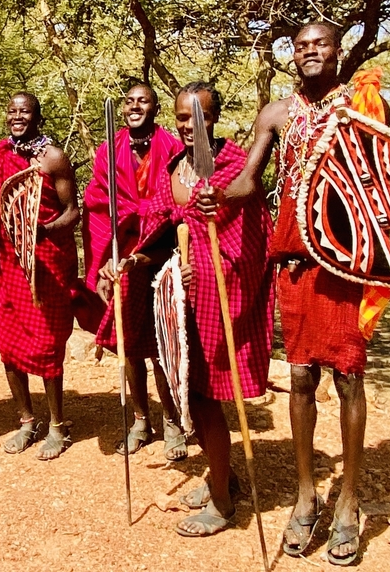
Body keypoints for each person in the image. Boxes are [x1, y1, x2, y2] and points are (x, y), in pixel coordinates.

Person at [222, 21, 390, 565]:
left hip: (341, 264)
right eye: (301, 47)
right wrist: (215, 195)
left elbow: (384, 184)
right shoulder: (275, 113)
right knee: (298, 376)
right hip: (291, 265)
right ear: (291, 56)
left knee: (347, 377)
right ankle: (304, 497)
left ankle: (348, 502)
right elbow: (250, 179)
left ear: (338, 52)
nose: (310, 52)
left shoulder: (363, 107)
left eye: (321, 44)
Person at [100, 82, 272, 537]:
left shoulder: (236, 167)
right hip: (179, 299)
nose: (190, 126)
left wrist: (212, 272)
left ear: (215, 117)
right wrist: (134, 259)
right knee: (185, 392)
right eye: (181, 118)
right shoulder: (173, 168)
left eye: (201, 116)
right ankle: (224, 476)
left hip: (221, 300)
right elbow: (157, 234)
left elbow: (251, 247)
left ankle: (222, 504)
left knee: (204, 397)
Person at [0, 92, 80, 461]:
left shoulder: (53, 158)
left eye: (25, 112)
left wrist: (43, 230)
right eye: (12, 111)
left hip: (45, 263)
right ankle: (26, 419)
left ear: (37, 117)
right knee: (9, 341)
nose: (17, 117)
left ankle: (58, 425)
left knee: (47, 344)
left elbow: (72, 213)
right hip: (5, 261)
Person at [80, 83, 188, 459]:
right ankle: (141, 419)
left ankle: (172, 420)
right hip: (121, 252)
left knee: (161, 343)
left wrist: (160, 245)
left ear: (155, 108)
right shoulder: (108, 150)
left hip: (161, 250)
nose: (135, 106)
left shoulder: (173, 147)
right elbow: (98, 205)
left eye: (143, 101)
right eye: (129, 101)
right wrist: (104, 260)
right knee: (129, 346)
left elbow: (180, 202)